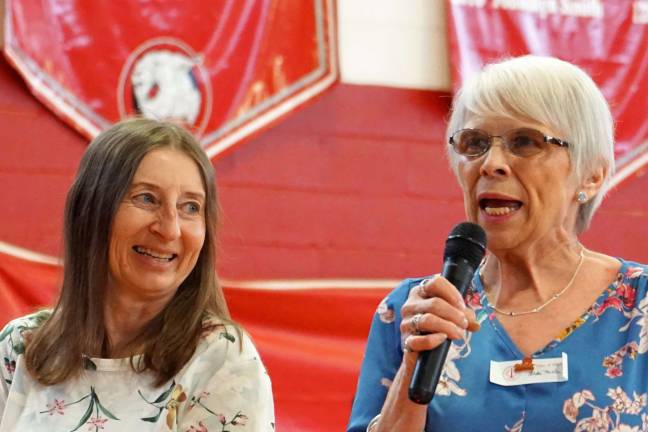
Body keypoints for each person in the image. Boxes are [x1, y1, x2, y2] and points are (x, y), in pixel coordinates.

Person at [348, 55, 648, 431]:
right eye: (474, 143)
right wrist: (413, 362)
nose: (491, 164)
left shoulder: (640, 307)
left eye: (525, 142)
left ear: (591, 176)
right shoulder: (415, 310)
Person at [0, 118, 274, 431]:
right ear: (91, 211)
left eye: (190, 207)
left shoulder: (221, 359)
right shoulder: (20, 347)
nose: (170, 228)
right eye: (146, 198)